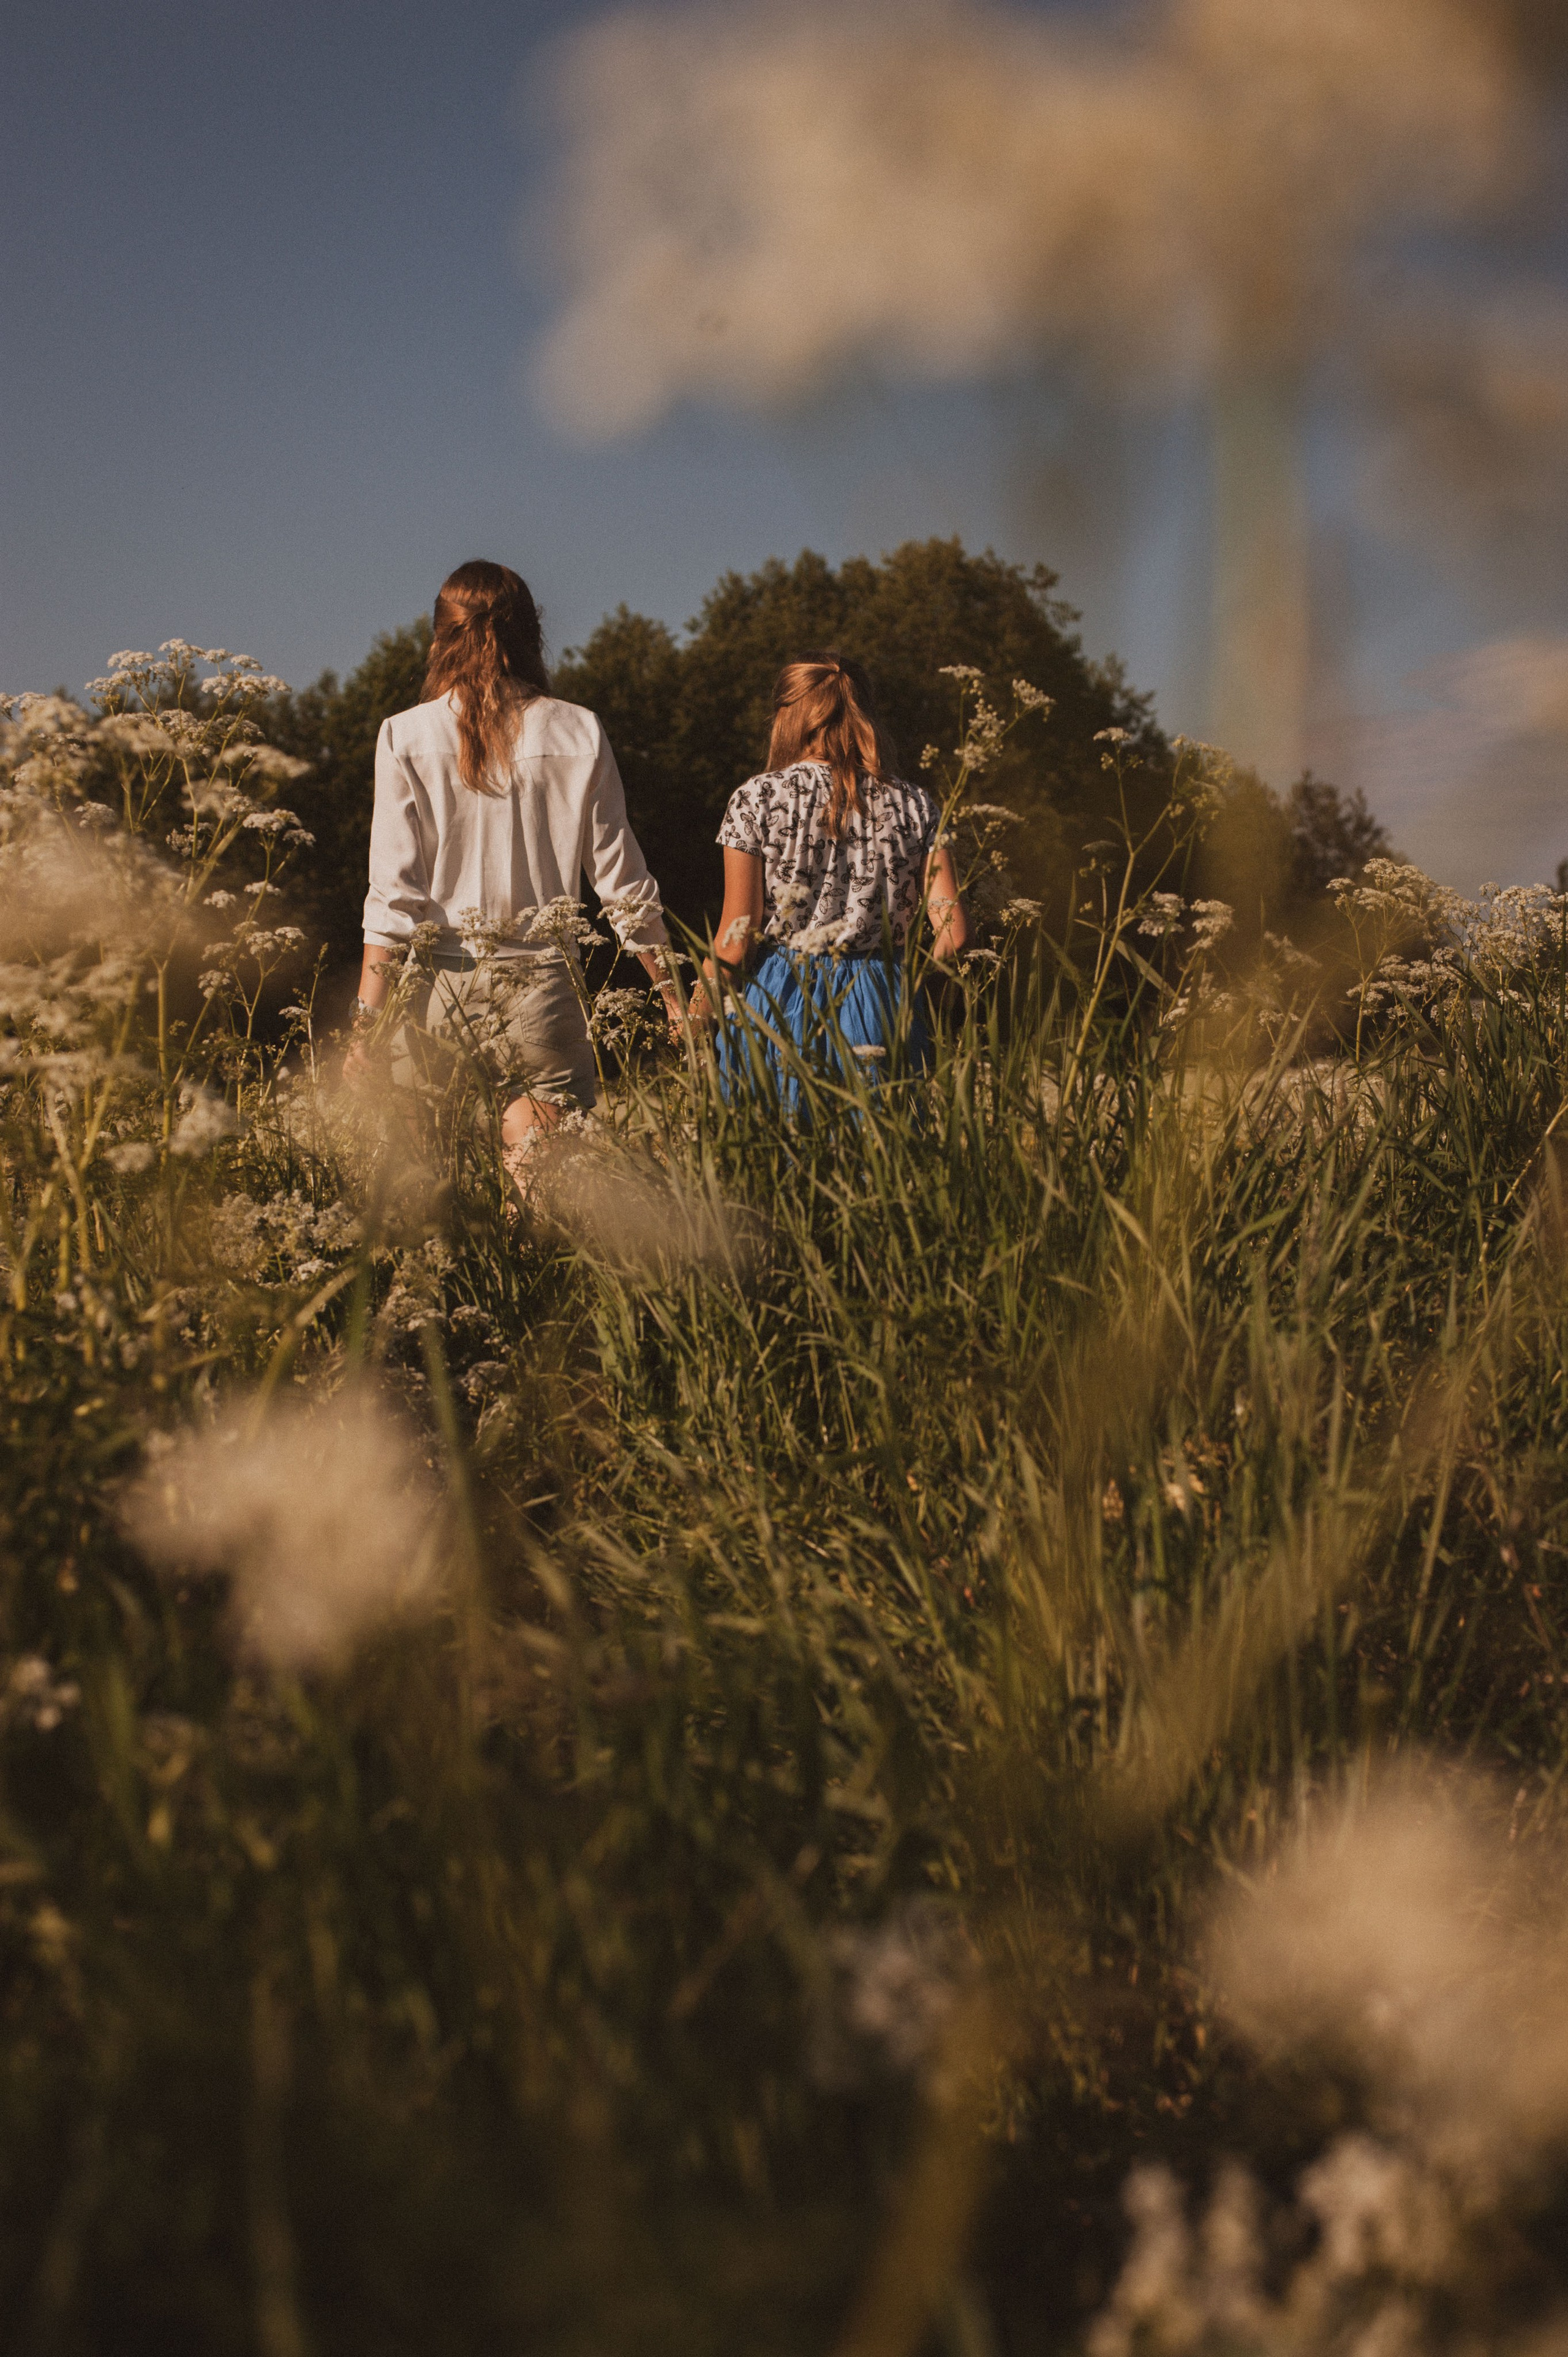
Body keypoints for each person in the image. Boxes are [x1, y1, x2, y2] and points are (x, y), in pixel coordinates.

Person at [347, 560, 676, 1184]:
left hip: (438, 993)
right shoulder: (579, 728)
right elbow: (622, 881)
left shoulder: (403, 735)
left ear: (440, 636)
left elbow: (393, 898)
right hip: (546, 987)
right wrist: (670, 993)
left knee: (438, 1188)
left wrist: (364, 1025)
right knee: (542, 1184)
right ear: (532, 633)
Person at [706, 654, 970, 1105]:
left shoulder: (757, 798)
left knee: (777, 1151)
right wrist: (916, 997)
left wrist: (694, 1012)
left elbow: (736, 940)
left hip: (779, 997)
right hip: (882, 993)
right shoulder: (916, 805)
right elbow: (956, 935)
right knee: (877, 1160)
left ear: (786, 716)